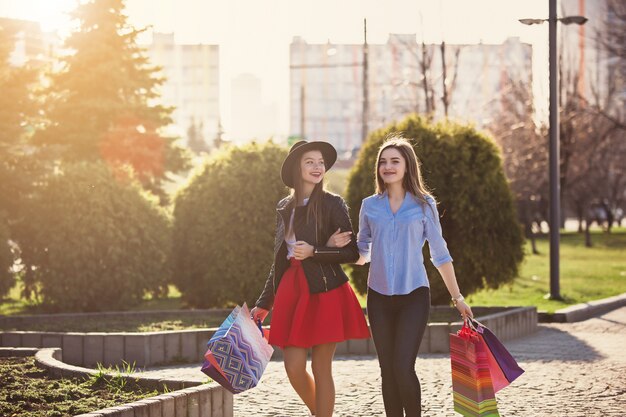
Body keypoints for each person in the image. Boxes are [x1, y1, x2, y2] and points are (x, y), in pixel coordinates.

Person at [328, 136, 473, 417]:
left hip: (414, 297)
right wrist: (337, 247)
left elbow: (440, 255)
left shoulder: (424, 205)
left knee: (403, 368)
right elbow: (362, 253)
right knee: (387, 370)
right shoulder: (370, 205)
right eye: (383, 162)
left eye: (395, 161)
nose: (388, 166)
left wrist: (457, 297)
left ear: (408, 166)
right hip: (379, 298)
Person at [251, 140, 370, 417]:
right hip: (292, 291)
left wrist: (317, 251)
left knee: (320, 367)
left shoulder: (332, 204)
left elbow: (353, 252)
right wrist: (264, 302)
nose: (318, 167)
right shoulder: (284, 206)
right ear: (297, 167)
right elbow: (279, 260)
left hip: (326, 291)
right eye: (310, 162)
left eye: (320, 162)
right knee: (292, 366)